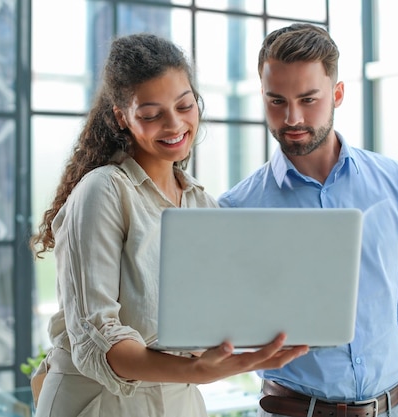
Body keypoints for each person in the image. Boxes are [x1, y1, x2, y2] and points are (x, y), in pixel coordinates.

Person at [29, 33, 309, 417]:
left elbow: (206, 321)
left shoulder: (202, 205)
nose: (174, 124)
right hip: (100, 403)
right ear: (121, 117)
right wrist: (196, 368)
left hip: (178, 400)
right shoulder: (104, 190)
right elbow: (97, 341)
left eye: (184, 105)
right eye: (150, 114)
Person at [218, 24, 398, 417]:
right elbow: (229, 332)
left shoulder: (396, 184)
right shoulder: (237, 208)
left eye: (308, 99)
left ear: (337, 94)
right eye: (276, 101)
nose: (292, 117)